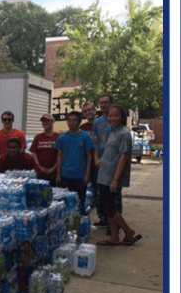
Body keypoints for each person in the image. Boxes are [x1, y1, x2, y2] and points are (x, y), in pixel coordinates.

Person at [95, 105, 141, 246]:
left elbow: (123, 157)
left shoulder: (124, 133)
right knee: (107, 208)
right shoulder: (113, 132)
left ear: (122, 118)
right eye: (110, 116)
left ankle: (128, 231)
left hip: (111, 177)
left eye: (116, 116)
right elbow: (111, 154)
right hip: (104, 175)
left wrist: (115, 179)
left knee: (110, 208)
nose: (112, 118)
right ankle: (114, 238)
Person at [54, 111, 95, 216]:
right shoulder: (62, 137)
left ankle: (79, 225)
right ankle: (68, 227)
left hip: (80, 176)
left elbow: (89, 156)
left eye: (75, 120)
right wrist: (58, 174)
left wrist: (87, 174)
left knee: (80, 202)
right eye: (70, 120)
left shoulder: (85, 137)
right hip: (65, 175)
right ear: (67, 122)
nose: (72, 122)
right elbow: (59, 156)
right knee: (65, 203)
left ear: (79, 122)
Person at [91, 94, 116, 228]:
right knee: (100, 192)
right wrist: (95, 158)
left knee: (113, 194)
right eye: (101, 103)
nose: (104, 105)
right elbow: (95, 143)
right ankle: (103, 218)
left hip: (112, 163)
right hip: (99, 162)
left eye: (106, 102)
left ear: (111, 103)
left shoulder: (115, 121)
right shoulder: (97, 122)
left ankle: (115, 222)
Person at [31, 113, 61, 185]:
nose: (45, 123)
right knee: (43, 193)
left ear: (52, 122)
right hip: (40, 173)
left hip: (54, 173)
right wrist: (39, 166)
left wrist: (53, 168)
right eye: (43, 121)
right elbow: (33, 152)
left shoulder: (58, 136)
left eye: (47, 121)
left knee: (54, 193)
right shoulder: (38, 137)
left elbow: (61, 154)